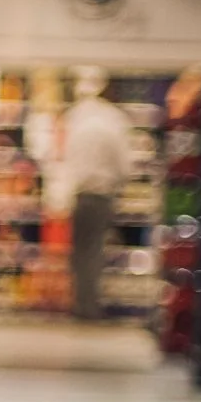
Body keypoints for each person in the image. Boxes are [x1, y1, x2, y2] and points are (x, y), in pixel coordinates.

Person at [61, 65, 135, 321]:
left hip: (80, 194)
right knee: (94, 250)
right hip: (102, 193)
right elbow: (124, 163)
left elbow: (65, 159)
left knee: (80, 252)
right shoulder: (114, 120)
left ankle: (81, 304)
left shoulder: (74, 117)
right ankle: (90, 307)